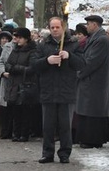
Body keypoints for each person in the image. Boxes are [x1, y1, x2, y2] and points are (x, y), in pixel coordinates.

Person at [33, 17, 81, 164]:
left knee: (65, 125)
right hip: (48, 90)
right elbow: (34, 65)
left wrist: (69, 56)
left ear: (63, 28)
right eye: (52, 27)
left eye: (57, 27)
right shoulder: (42, 45)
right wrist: (47, 61)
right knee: (48, 125)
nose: (55, 30)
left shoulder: (73, 44)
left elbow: (82, 63)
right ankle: (47, 153)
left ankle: (65, 153)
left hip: (66, 90)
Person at [74, 15, 109, 149]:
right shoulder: (95, 38)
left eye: (88, 24)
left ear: (95, 25)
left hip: (95, 82)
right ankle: (87, 138)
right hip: (90, 81)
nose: (87, 27)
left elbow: (92, 61)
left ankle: (93, 139)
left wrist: (79, 73)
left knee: (93, 111)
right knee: (88, 110)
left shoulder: (101, 40)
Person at [4, 27, 38, 142]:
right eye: (16, 37)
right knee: (15, 110)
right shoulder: (15, 50)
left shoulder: (32, 51)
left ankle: (24, 133)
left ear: (26, 39)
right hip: (14, 84)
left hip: (25, 84)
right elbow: (8, 63)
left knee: (25, 110)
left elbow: (32, 68)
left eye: (20, 37)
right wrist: (10, 68)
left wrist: (16, 68)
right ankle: (16, 132)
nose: (17, 40)